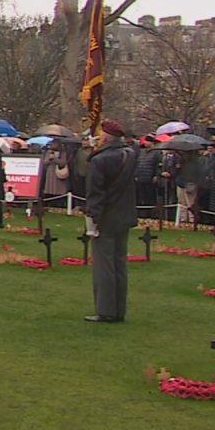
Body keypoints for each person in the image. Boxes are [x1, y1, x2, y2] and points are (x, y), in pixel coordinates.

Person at [84, 119, 138, 323]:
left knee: (104, 265)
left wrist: (93, 218)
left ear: (106, 136)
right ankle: (118, 309)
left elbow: (95, 193)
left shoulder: (99, 160)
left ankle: (106, 310)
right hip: (124, 215)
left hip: (106, 216)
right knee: (119, 263)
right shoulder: (130, 155)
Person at [173, 149, 204, 224]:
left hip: (190, 184)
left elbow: (199, 173)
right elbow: (176, 172)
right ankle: (183, 219)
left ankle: (192, 220)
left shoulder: (196, 162)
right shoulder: (181, 161)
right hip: (181, 183)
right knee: (181, 202)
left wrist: (195, 183)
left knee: (191, 203)